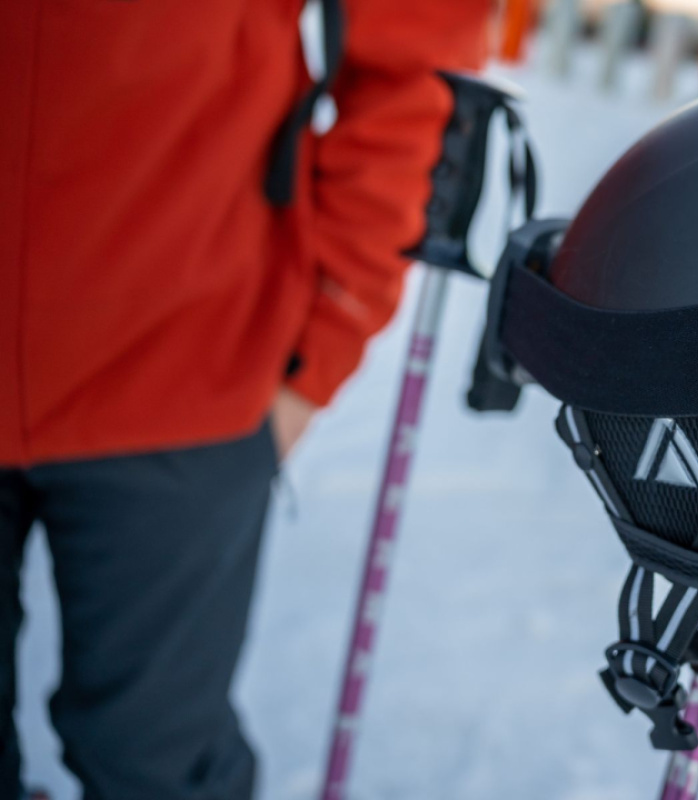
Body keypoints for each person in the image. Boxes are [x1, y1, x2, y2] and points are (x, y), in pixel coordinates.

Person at [0, 1, 489, 797]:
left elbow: (411, 58)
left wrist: (325, 340)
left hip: (184, 361)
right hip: (186, 369)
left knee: (151, 757)